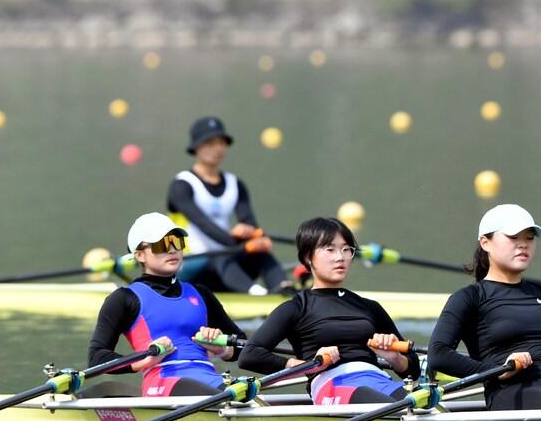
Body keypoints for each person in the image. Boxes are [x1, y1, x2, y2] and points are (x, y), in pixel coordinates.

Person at [428, 204, 541, 411]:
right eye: (513, 237)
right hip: (512, 391)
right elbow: (438, 355)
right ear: (485, 243)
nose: (523, 245)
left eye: (529, 238)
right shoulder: (470, 298)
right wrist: (496, 370)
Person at [238, 217, 419, 405]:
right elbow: (250, 355)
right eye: (330, 249)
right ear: (308, 257)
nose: (340, 257)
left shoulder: (370, 307)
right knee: (390, 407)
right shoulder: (296, 308)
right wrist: (306, 366)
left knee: (421, 404)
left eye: (346, 249)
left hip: (379, 381)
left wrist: (394, 358)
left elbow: (413, 370)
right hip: (332, 385)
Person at [87, 212, 245, 398]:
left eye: (176, 242)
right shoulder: (123, 299)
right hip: (163, 383)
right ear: (139, 255)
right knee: (232, 396)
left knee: (244, 390)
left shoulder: (201, 294)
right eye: (162, 244)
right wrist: (145, 359)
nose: (172, 250)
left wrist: (222, 349)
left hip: (212, 381)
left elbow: (244, 347)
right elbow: (97, 358)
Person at [167, 115, 295, 295]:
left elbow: (251, 225)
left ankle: (284, 289)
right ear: (196, 147)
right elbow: (204, 226)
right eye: (210, 143)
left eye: (221, 142)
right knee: (221, 256)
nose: (218, 148)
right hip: (188, 265)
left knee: (260, 253)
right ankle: (257, 295)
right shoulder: (181, 186)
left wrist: (254, 237)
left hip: (226, 264)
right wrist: (239, 241)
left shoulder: (235, 184)